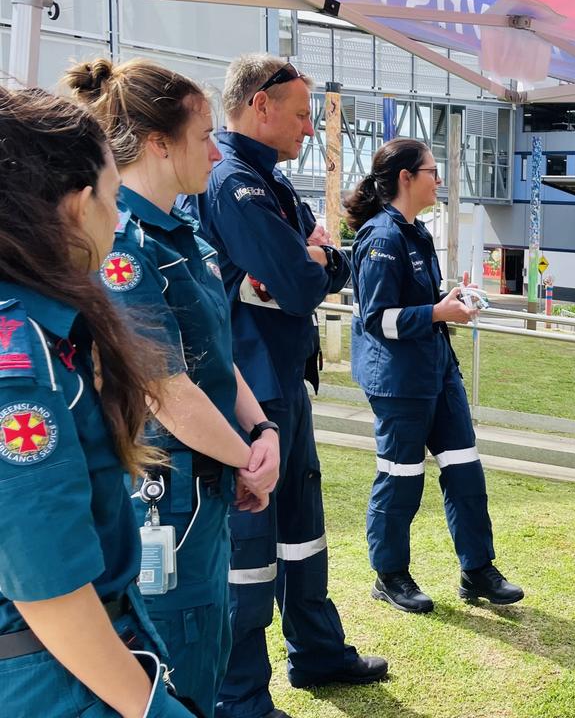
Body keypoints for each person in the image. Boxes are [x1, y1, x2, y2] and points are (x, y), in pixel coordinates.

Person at [65, 58, 282, 715]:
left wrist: (261, 428)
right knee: (177, 664)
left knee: (210, 646)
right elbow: (165, 389)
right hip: (168, 496)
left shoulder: (183, 232)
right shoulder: (127, 246)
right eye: (204, 136)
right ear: (159, 143)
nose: (216, 152)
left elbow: (213, 354)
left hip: (209, 486)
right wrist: (245, 458)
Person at [180, 54, 386, 718]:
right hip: (249, 392)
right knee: (248, 551)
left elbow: (327, 266)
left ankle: (318, 651)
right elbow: (301, 285)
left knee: (303, 530)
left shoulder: (270, 183)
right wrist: (314, 260)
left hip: (282, 383)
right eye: (300, 114)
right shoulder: (233, 183)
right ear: (260, 105)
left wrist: (316, 258)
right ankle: (240, 696)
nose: (308, 129)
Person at [0, 87, 194, 716]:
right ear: (79, 207)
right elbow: (46, 586)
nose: (119, 219)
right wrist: (150, 710)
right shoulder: (17, 363)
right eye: (112, 199)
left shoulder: (42, 328)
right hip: (53, 675)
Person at [346, 137, 523, 612]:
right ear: (406, 178)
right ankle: (390, 575)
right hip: (400, 383)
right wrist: (437, 313)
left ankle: (477, 570)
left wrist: (451, 301)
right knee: (401, 477)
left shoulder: (416, 233)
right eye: (431, 171)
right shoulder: (381, 238)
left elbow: (422, 302)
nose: (438, 179)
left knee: (465, 471)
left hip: (438, 372)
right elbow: (378, 319)